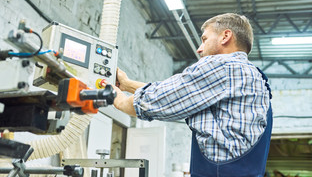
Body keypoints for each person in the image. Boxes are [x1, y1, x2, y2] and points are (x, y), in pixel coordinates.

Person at [112, 13, 273, 177]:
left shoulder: (223, 65)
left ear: (225, 36)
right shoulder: (255, 77)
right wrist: (127, 84)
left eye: (204, 39)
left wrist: (118, 100)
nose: (199, 48)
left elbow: (159, 100)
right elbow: (172, 91)